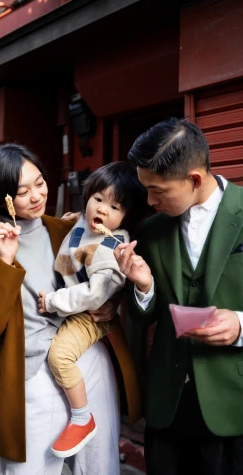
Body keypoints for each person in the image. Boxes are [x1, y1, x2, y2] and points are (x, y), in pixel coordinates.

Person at [0, 143, 140, 475]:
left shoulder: (67, 230)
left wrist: (111, 303)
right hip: (29, 380)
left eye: (39, 183)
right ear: (1, 198)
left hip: (88, 362)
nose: (36, 196)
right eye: (22, 191)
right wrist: (4, 262)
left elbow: (105, 274)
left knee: (99, 468)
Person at [114, 117, 243, 475]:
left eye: (159, 190)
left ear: (195, 179)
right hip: (168, 403)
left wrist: (241, 325)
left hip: (234, 403)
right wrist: (143, 287)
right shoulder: (153, 229)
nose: (150, 200)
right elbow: (144, 316)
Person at [38, 162, 147, 458]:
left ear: (126, 216)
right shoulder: (80, 225)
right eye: (97, 199)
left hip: (89, 315)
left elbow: (93, 295)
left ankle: (82, 417)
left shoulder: (113, 248)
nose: (101, 210)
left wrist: (52, 302)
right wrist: (72, 220)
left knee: (60, 355)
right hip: (72, 308)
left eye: (114, 206)